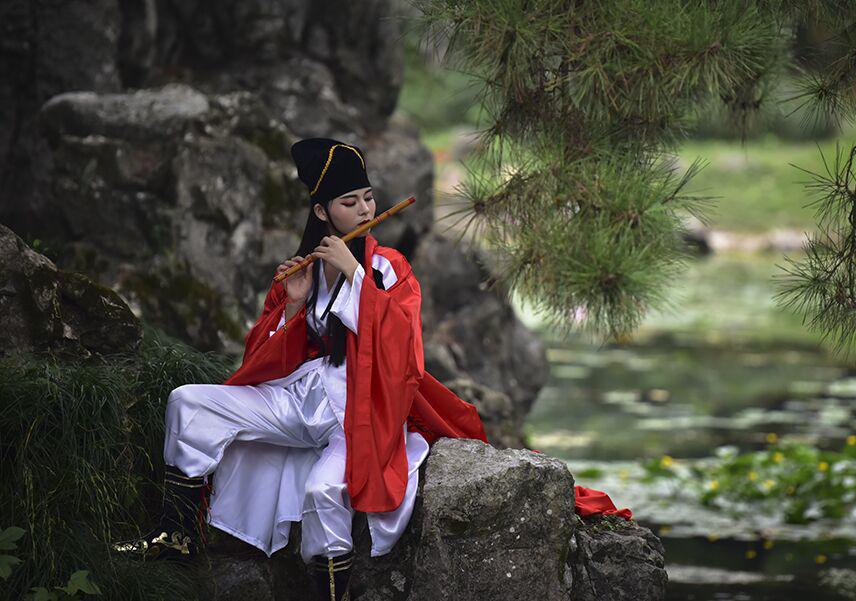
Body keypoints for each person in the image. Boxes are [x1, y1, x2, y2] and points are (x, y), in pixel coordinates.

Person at [113, 137, 631, 601]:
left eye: (367, 197)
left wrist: (356, 275)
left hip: (362, 410)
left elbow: (403, 349)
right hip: (304, 399)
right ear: (321, 211)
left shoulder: (389, 267)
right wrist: (293, 306)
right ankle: (179, 536)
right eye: (349, 202)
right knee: (189, 402)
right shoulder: (305, 269)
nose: (365, 209)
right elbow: (264, 360)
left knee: (322, 493)